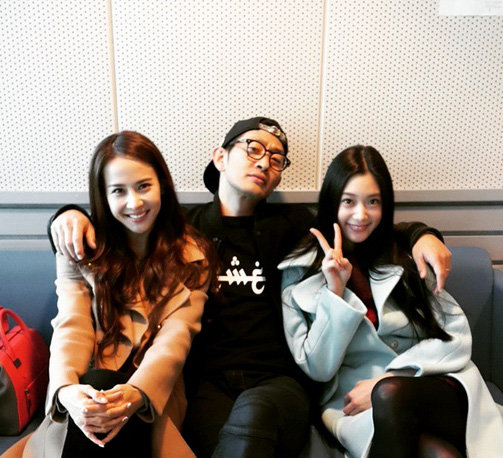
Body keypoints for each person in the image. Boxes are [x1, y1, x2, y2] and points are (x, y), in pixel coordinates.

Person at [48, 118, 452, 457]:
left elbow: (358, 224)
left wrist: (421, 234)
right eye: (253, 148)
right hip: (208, 386)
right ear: (220, 157)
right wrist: (65, 216)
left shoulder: (294, 227)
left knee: (255, 412)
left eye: (276, 159)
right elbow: (122, 220)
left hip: (280, 383)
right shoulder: (183, 232)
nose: (264, 162)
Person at [279, 145, 503, 457]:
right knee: (438, 453)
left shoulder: (406, 254)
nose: (361, 214)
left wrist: (391, 378)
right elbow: (317, 368)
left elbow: (456, 335)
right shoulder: (300, 271)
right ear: (332, 203)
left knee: (389, 393)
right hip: (359, 402)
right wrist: (334, 292)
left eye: (373, 202)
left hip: (433, 383)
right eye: (348, 201)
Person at [8, 131, 212, 458]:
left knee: (108, 396)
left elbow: (175, 339)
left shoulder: (192, 256)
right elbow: (72, 325)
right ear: (103, 196)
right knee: (99, 386)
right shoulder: (81, 249)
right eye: (118, 190)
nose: (134, 202)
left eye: (143, 186)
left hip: (152, 396)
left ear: (162, 185)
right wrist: (67, 391)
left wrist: (136, 393)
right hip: (87, 391)